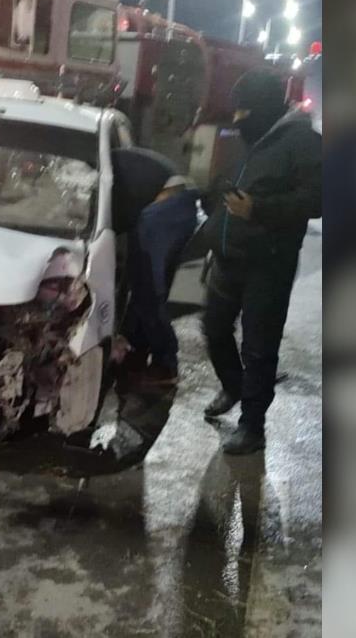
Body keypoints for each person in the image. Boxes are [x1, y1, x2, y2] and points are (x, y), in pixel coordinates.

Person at [201, 70, 322, 454]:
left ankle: (252, 427)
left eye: (244, 112)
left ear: (267, 108)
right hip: (228, 255)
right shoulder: (250, 136)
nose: (238, 120)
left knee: (259, 345)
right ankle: (233, 385)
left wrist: (259, 209)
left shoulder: (303, 142)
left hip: (268, 263)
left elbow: (319, 200)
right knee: (214, 328)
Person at [111, 147, 201, 384]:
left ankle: (165, 363)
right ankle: (137, 349)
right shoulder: (86, 162)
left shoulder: (83, 172)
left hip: (166, 206)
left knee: (148, 288)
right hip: (173, 199)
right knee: (141, 281)